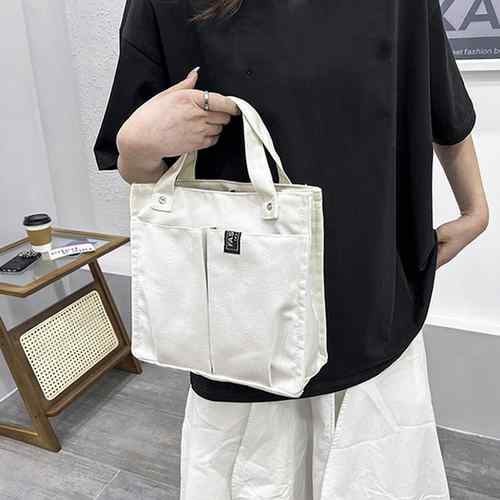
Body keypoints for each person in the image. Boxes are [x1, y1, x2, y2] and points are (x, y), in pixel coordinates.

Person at [93, 0, 489, 498]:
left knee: (374, 472)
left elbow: (440, 100)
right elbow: (139, 164)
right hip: (244, 330)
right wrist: (136, 145)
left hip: (371, 305)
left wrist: (476, 209)